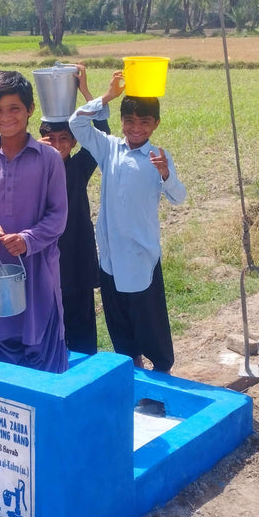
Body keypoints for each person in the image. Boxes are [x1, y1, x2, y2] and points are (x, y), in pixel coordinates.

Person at [69, 71, 186, 374]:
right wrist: (107, 96)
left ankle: (161, 367)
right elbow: (76, 123)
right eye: (130, 121)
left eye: (144, 122)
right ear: (121, 121)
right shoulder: (108, 148)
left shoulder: (159, 156)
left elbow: (178, 197)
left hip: (141, 253)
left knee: (149, 316)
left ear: (155, 124)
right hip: (110, 252)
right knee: (117, 315)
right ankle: (130, 363)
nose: (136, 128)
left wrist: (165, 174)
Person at [0, 70, 69, 373]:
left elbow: (57, 216)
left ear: (30, 110)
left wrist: (28, 240)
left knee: (42, 350)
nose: (5, 117)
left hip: (37, 270)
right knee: (0, 348)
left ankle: (47, 418)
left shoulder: (48, 159)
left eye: (14, 109)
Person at [38, 64, 110, 355]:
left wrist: (86, 92)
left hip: (77, 258)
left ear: (74, 141)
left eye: (64, 139)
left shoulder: (79, 167)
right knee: (49, 324)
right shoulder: (33, 168)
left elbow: (102, 134)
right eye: (50, 140)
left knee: (82, 326)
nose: (57, 146)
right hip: (46, 259)